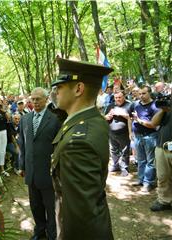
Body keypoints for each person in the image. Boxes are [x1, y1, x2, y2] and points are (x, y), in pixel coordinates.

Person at [50, 58, 114, 240]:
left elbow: (81, 214)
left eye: (60, 87)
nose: (56, 92)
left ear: (78, 89)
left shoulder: (77, 143)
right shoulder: (93, 119)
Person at [19, 87, 61, 240]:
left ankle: (52, 233)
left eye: (38, 99)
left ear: (46, 99)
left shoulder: (55, 120)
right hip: (31, 171)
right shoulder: (25, 119)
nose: (35, 102)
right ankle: (40, 231)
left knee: (50, 206)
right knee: (35, 205)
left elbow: (59, 146)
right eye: (33, 99)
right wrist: (22, 165)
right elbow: (22, 144)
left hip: (47, 171)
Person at [131, 86, 159, 192]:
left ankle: (148, 182)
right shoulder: (137, 104)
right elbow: (132, 118)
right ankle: (141, 179)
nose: (141, 96)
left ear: (149, 93)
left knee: (150, 161)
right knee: (140, 160)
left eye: (143, 93)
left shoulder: (155, 106)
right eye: (140, 93)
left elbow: (154, 125)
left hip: (150, 136)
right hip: (138, 136)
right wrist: (131, 131)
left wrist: (138, 120)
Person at [104, 91, 133, 176]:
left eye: (119, 97)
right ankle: (115, 165)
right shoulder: (111, 105)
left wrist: (124, 115)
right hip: (112, 132)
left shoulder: (129, 105)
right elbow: (105, 116)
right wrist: (107, 117)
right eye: (116, 98)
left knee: (125, 151)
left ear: (124, 96)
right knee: (113, 150)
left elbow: (132, 119)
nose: (118, 99)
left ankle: (124, 168)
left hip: (124, 133)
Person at [149, 104, 172, 211]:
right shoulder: (167, 108)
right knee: (163, 176)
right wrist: (163, 110)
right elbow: (154, 123)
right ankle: (164, 200)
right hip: (162, 147)